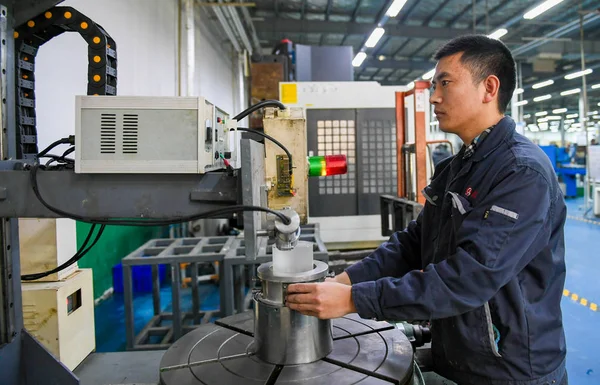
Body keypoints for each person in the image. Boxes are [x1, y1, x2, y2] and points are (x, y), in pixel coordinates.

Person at [286, 35, 567, 385]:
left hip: (509, 370)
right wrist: (344, 281)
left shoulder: (522, 173)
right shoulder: (456, 167)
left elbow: (470, 277)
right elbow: (413, 243)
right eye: (435, 85)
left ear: (489, 88)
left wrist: (354, 300)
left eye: (446, 83)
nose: (434, 96)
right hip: (458, 354)